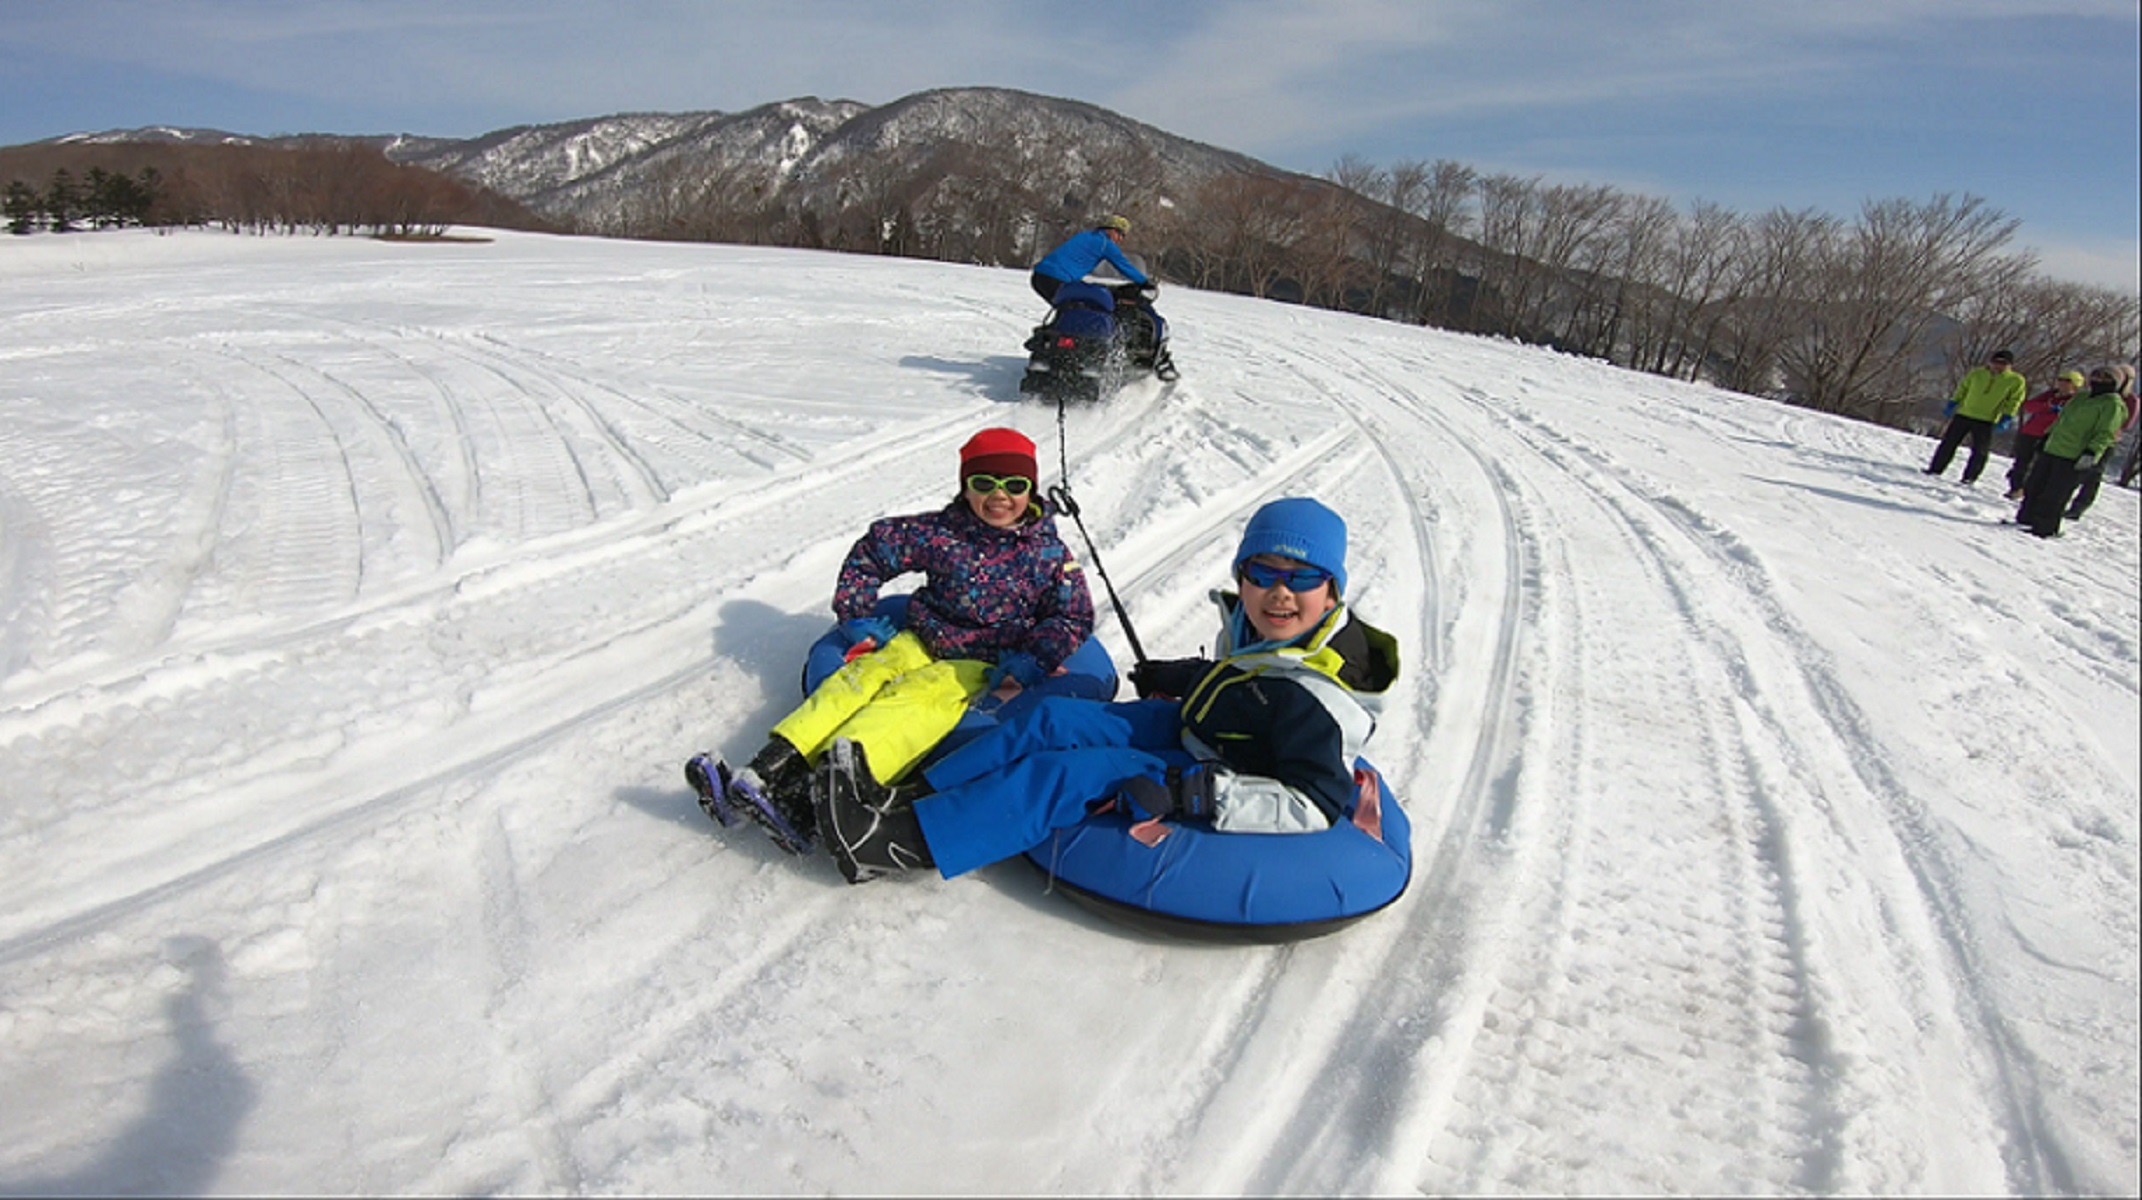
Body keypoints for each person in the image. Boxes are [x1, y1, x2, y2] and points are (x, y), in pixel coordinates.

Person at [807, 497, 1400, 885]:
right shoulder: (1267, 631)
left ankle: (896, 843)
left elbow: (1313, 804)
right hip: (1204, 728)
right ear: (1242, 577)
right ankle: (914, 793)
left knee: (1068, 774)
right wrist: (1179, 677)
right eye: (1263, 574)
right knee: (1054, 722)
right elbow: (1249, 683)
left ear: (1333, 590)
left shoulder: (1319, 700)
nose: (1279, 594)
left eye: (1301, 579)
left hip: (1223, 772)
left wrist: (1195, 793)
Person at [686, 427, 1096, 853]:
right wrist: (857, 614)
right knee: (859, 680)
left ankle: (814, 795)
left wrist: (1032, 659)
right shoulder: (941, 532)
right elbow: (873, 551)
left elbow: (1073, 613)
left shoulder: (1048, 553)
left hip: (982, 661)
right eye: (984, 483)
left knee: (916, 701)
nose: (999, 496)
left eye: (1014, 485)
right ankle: (764, 772)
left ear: (1030, 490)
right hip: (922, 638)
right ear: (965, 486)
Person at [2013, 366, 2129, 539]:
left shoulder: (2112, 404)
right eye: (2096, 376)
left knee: (2055, 493)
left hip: (2074, 454)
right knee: (2035, 484)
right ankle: (2026, 518)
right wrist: (2047, 435)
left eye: (2105, 379)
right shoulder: (2081, 397)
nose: (2099, 381)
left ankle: (2045, 527)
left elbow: (2105, 432)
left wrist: (2091, 452)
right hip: (2054, 447)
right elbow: (2062, 419)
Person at [1925, 349, 2028, 484]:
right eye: (1996, 362)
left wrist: (2007, 416)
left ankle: (1970, 477)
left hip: (1987, 419)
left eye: (2003, 363)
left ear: (2010, 365)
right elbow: (1963, 388)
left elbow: (2015, 400)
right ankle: (1935, 468)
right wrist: (1954, 402)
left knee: (1980, 451)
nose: (1998, 366)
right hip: (1965, 414)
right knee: (1948, 443)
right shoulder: (1977, 373)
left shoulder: (2016, 381)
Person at [2065, 364, 2138, 519]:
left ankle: (2079, 506)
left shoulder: (2129, 400)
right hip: (2083, 437)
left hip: (2106, 442)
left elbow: (2127, 423)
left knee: (2093, 474)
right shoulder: (2097, 393)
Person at [1029, 214, 1152, 305]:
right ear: (1110, 229)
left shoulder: (1087, 235)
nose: (1120, 239)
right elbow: (1124, 265)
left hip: (1040, 276)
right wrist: (1144, 282)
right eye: (1119, 234)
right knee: (1083, 308)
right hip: (1056, 279)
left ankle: (1048, 336)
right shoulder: (1105, 244)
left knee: (1068, 309)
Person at [2004, 370, 2083, 500]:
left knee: (2039, 465)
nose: (2062, 383)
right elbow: (2029, 406)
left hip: (2050, 435)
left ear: (2075, 385)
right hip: (2031, 431)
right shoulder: (2050, 395)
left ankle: (2029, 490)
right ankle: (2016, 487)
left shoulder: (2075, 401)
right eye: (2060, 380)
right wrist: (2048, 407)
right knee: (2022, 461)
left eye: (2067, 381)